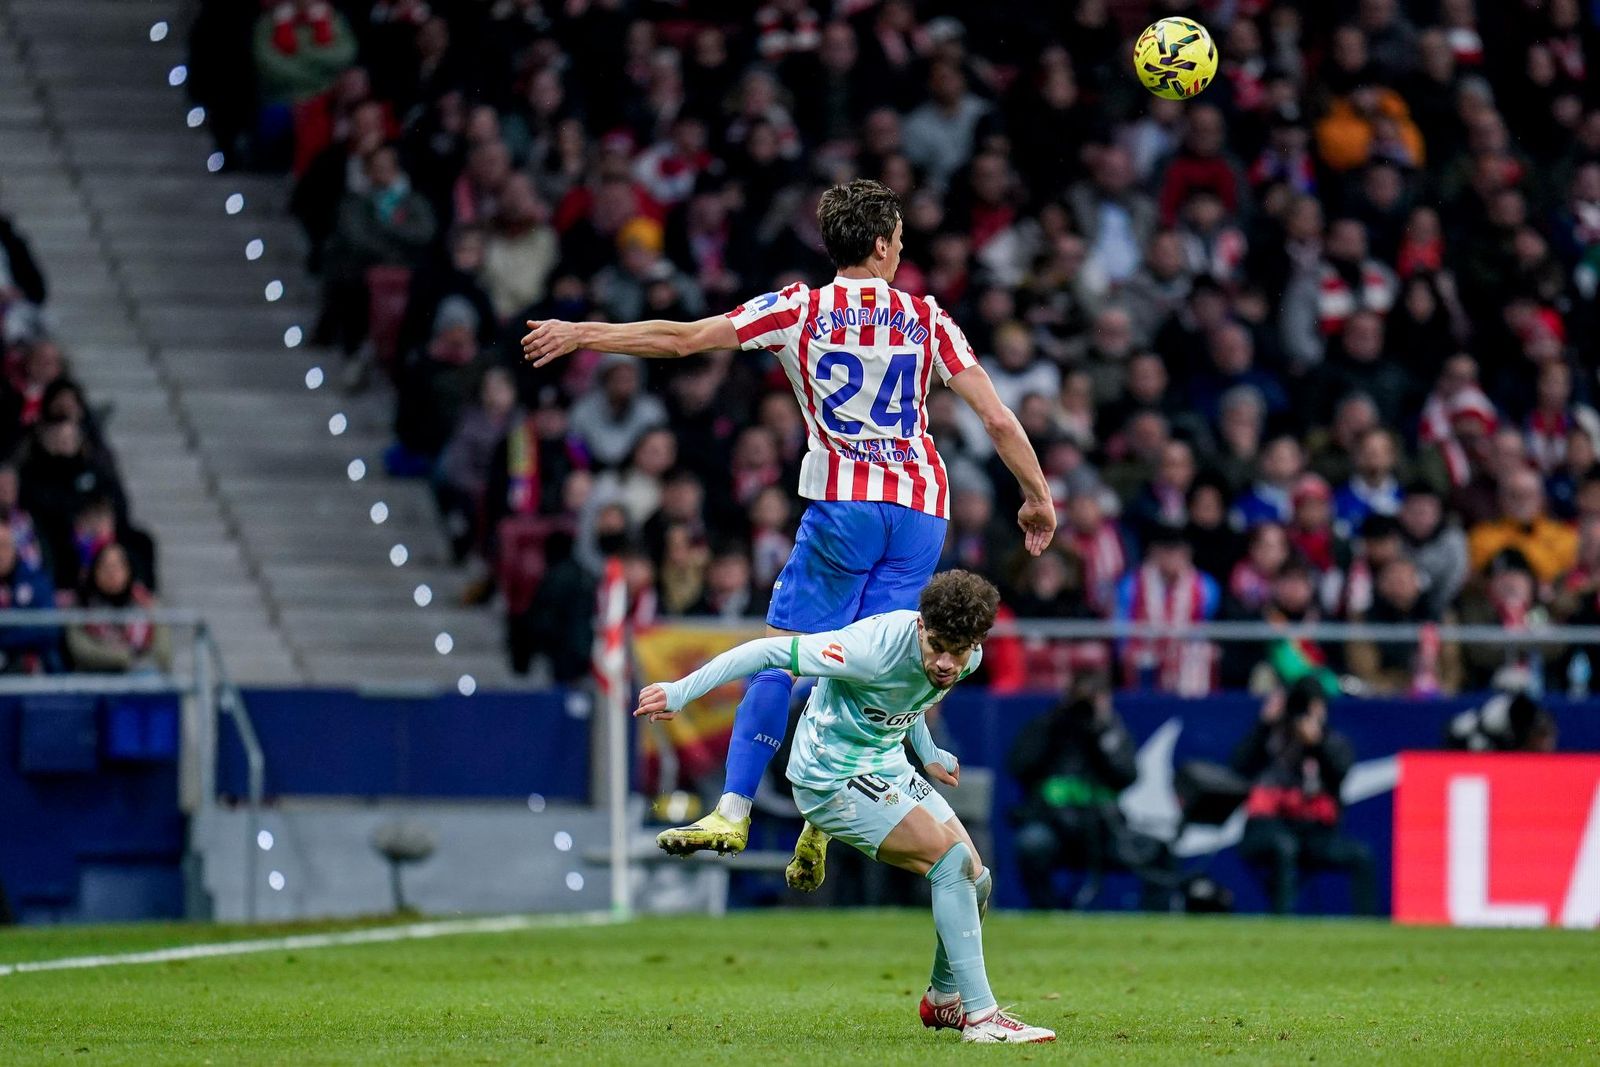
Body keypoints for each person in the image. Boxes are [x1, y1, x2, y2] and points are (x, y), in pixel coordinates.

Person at [524, 179, 1054, 857]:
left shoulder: (798, 309)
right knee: (881, 665)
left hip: (844, 509)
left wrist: (582, 334)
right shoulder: (927, 318)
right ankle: (833, 807)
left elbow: (685, 340)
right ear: (885, 243)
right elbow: (999, 417)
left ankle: (733, 806)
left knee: (784, 654)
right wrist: (1037, 497)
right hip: (922, 511)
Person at [633, 570, 1054, 1043]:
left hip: (885, 763)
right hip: (828, 774)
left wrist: (929, 751)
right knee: (951, 863)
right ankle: (982, 1019)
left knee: (977, 880)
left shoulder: (966, 655)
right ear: (920, 625)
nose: (945, 663)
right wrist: (680, 691)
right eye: (937, 646)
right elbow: (764, 653)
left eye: (958, 651)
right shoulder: (867, 647)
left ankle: (942, 1001)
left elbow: (905, 698)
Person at [1008, 672, 1172, 910]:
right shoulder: (1048, 725)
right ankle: (1047, 913)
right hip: (1054, 827)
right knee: (1031, 843)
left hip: (1104, 829)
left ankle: (1155, 922)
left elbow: (1127, 775)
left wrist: (1101, 734)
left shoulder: (1110, 731)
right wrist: (1056, 724)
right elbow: (1018, 766)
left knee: (1159, 851)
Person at [1233, 680, 1376, 915]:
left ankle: (1368, 927)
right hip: (1268, 827)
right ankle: (1282, 925)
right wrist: (1264, 725)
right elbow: (1238, 768)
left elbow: (1341, 771)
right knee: (1284, 847)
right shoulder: (1269, 737)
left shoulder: (1328, 740)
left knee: (1362, 855)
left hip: (1313, 832)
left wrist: (1317, 743)